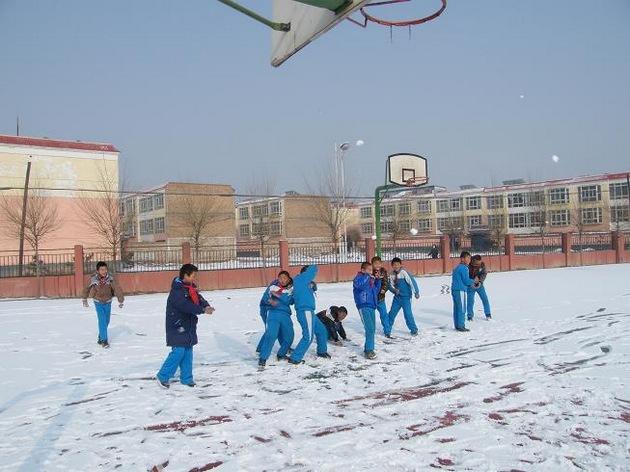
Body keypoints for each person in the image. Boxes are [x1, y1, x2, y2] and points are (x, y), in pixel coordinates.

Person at [156, 264, 215, 388]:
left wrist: (206, 306)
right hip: (177, 325)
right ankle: (163, 376)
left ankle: (187, 378)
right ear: (185, 275)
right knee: (178, 351)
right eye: (193, 276)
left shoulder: (190, 288)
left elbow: (199, 299)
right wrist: (202, 310)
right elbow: (185, 306)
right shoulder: (177, 291)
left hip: (188, 324)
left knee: (188, 350)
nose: (194, 278)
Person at [289, 265, 329, 364]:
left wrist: (312, 286)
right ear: (305, 273)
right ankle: (295, 358)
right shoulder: (301, 278)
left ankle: (322, 351)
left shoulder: (301, 282)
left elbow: (293, 299)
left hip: (309, 311)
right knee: (308, 336)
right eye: (310, 274)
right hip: (305, 311)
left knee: (321, 331)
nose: (313, 275)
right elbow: (314, 268)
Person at [82, 261, 124, 348]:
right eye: (101, 269)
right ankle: (104, 341)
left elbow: (117, 288)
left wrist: (120, 300)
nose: (104, 271)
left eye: (105, 269)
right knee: (102, 320)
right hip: (98, 302)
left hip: (108, 301)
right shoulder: (93, 279)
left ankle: (100, 336)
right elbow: (86, 288)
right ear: (98, 270)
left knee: (107, 321)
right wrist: (84, 299)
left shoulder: (110, 279)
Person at [258, 274, 295, 368]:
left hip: (285, 314)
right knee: (271, 334)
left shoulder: (292, 288)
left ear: (288, 279)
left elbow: (290, 301)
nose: (282, 280)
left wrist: (280, 296)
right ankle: (263, 358)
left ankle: (281, 354)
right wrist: (270, 300)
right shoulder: (273, 286)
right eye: (280, 278)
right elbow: (265, 298)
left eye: (284, 278)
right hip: (273, 313)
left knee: (289, 336)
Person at [353, 261, 381, 359]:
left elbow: (375, 291)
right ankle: (369, 350)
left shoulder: (370, 279)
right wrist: (367, 276)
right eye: (368, 270)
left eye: (371, 270)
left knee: (372, 329)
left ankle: (369, 348)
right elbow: (359, 285)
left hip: (371, 306)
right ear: (362, 270)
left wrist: (377, 280)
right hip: (363, 305)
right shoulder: (359, 278)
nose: (370, 272)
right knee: (369, 328)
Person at [388, 257, 420, 336]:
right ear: (392, 265)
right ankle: (387, 328)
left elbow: (412, 281)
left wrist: (416, 292)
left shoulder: (404, 272)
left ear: (400, 265)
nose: (396, 266)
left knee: (408, 314)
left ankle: (413, 329)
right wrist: (394, 290)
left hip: (406, 298)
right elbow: (390, 285)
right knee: (392, 313)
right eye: (394, 265)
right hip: (397, 298)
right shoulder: (391, 274)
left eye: (397, 264)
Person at [451, 251, 478, 332]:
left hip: (455, 290)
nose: (469, 260)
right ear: (462, 259)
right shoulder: (463, 268)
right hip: (460, 290)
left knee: (456, 308)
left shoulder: (457, 267)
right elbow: (466, 281)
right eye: (468, 258)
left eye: (470, 258)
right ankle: (461, 326)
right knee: (462, 308)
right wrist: (474, 281)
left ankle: (457, 325)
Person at [371, 256, 392, 337]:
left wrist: (383, 290)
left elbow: (386, 282)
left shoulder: (383, 271)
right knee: (371, 316)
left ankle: (387, 331)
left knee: (384, 314)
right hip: (372, 299)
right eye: (375, 263)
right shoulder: (370, 271)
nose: (377, 265)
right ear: (372, 264)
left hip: (380, 298)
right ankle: (371, 331)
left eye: (379, 263)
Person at [467, 255, 492, 321]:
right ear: (473, 261)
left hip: (479, 285)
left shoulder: (482, 265)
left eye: (480, 262)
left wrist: (480, 281)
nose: (479, 264)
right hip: (470, 286)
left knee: (485, 299)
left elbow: (484, 274)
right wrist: (471, 282)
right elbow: (465, 276)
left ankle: (488, 314)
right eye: (477, 263)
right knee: (470, 301)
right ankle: (470, 316)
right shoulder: (468, 266)